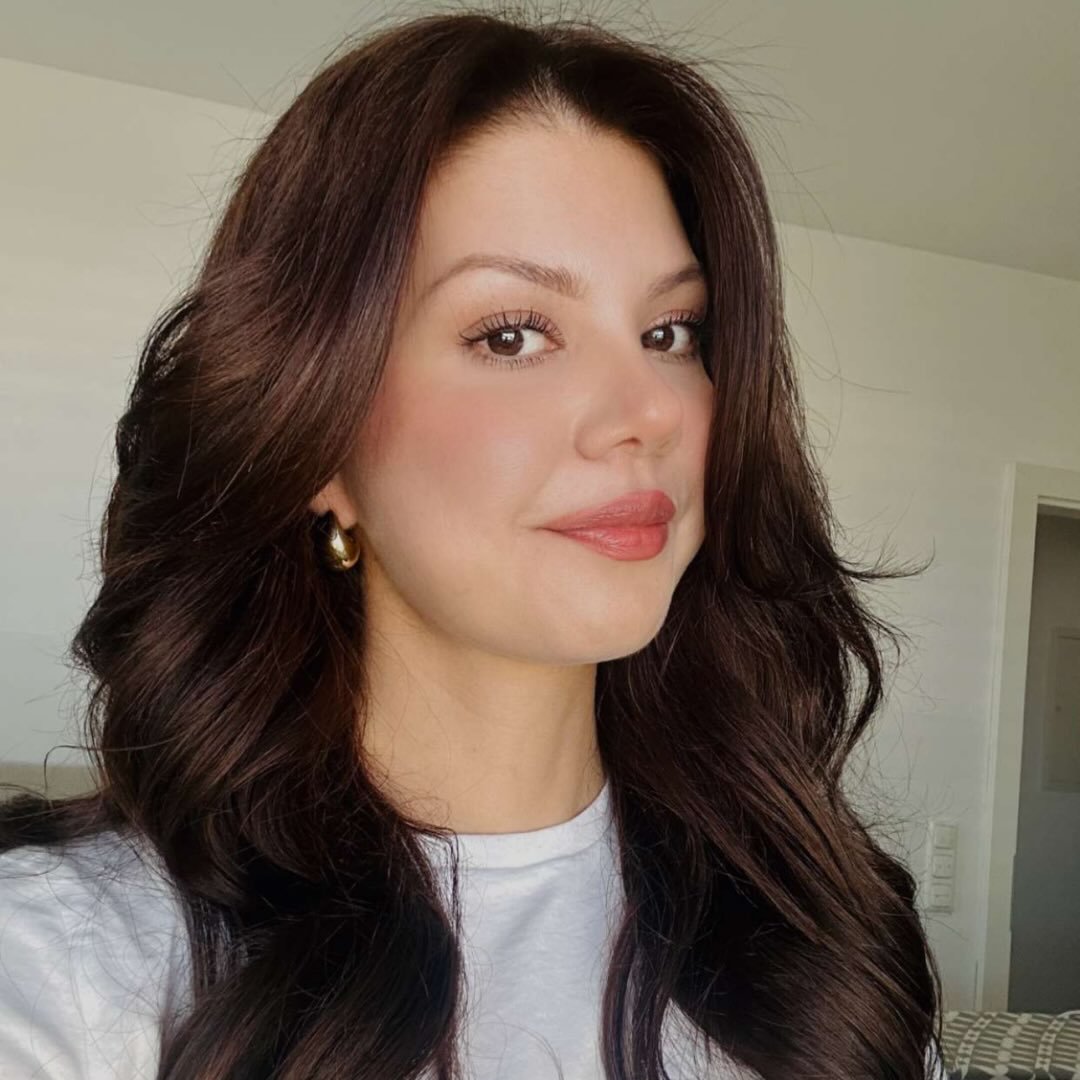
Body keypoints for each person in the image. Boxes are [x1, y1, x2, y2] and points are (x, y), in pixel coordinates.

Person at [0, 7, 950, 1079]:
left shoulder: (822, 949)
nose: (646, 411)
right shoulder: (70, 963)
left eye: (670, 332)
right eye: (512, 334)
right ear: (317, 438)